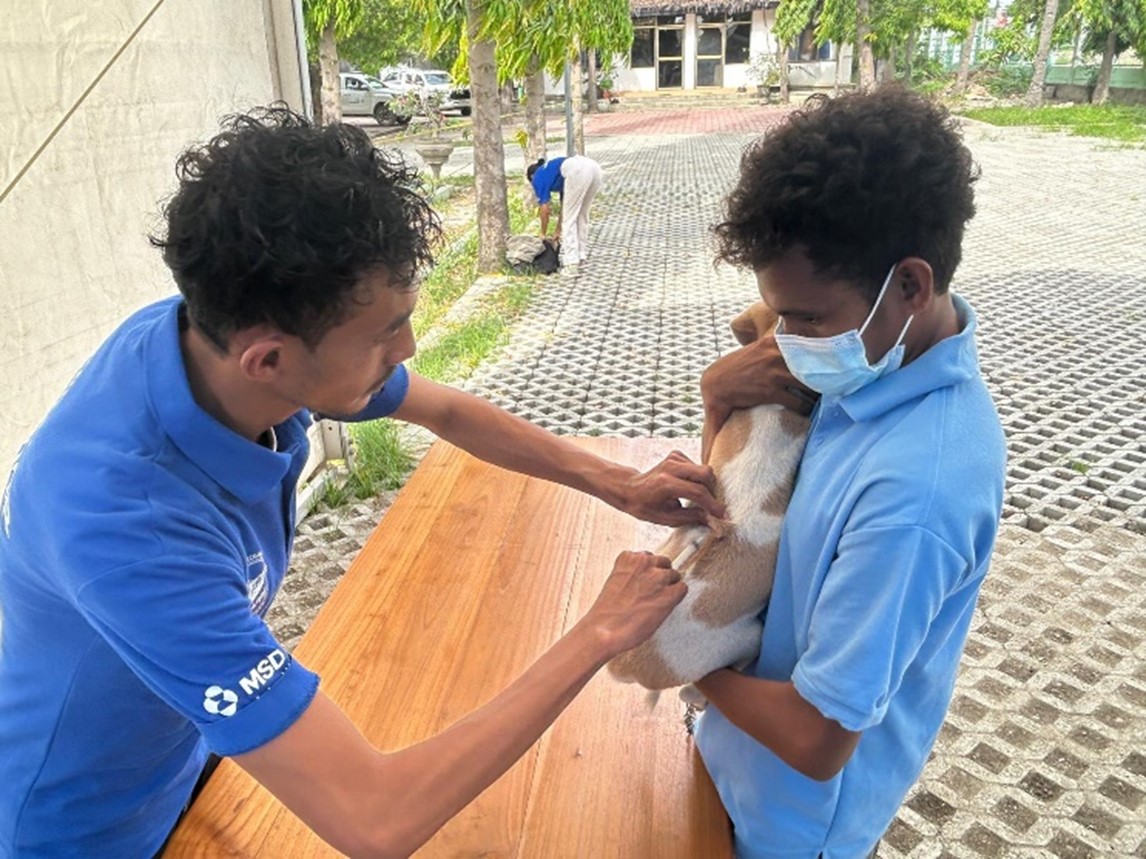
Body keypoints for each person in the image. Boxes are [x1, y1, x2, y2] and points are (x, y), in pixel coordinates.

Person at [0, 106, 725, 858]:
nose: (408, 347)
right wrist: (598, 632)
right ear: (269, 361)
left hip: (184, 763)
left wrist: (619, 483)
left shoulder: (208, 340)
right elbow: (376, 819)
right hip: (87, 831)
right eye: (386, 332)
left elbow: (443, 408)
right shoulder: (127, 526)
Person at [692, 87, 1006, 858]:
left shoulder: (917, 493)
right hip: (736, 759)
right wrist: (716, 406)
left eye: (807, 319)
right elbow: (750, 524)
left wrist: (677, 655)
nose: (785, 341)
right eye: (778, 314)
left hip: (790, 823)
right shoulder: (867, 365)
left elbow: (816, 736)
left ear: (910, 285)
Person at [527, 154, 603, 268]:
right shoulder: (554, 173)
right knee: (581, 215)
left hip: (577, 169)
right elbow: (565, 206)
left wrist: (542, 233)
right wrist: (557, 231)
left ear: (531, 177)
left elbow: (545, 209)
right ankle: (581, 256)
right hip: (594, 168)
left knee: (569, 220)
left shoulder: (537, 177)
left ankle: (571, 262)